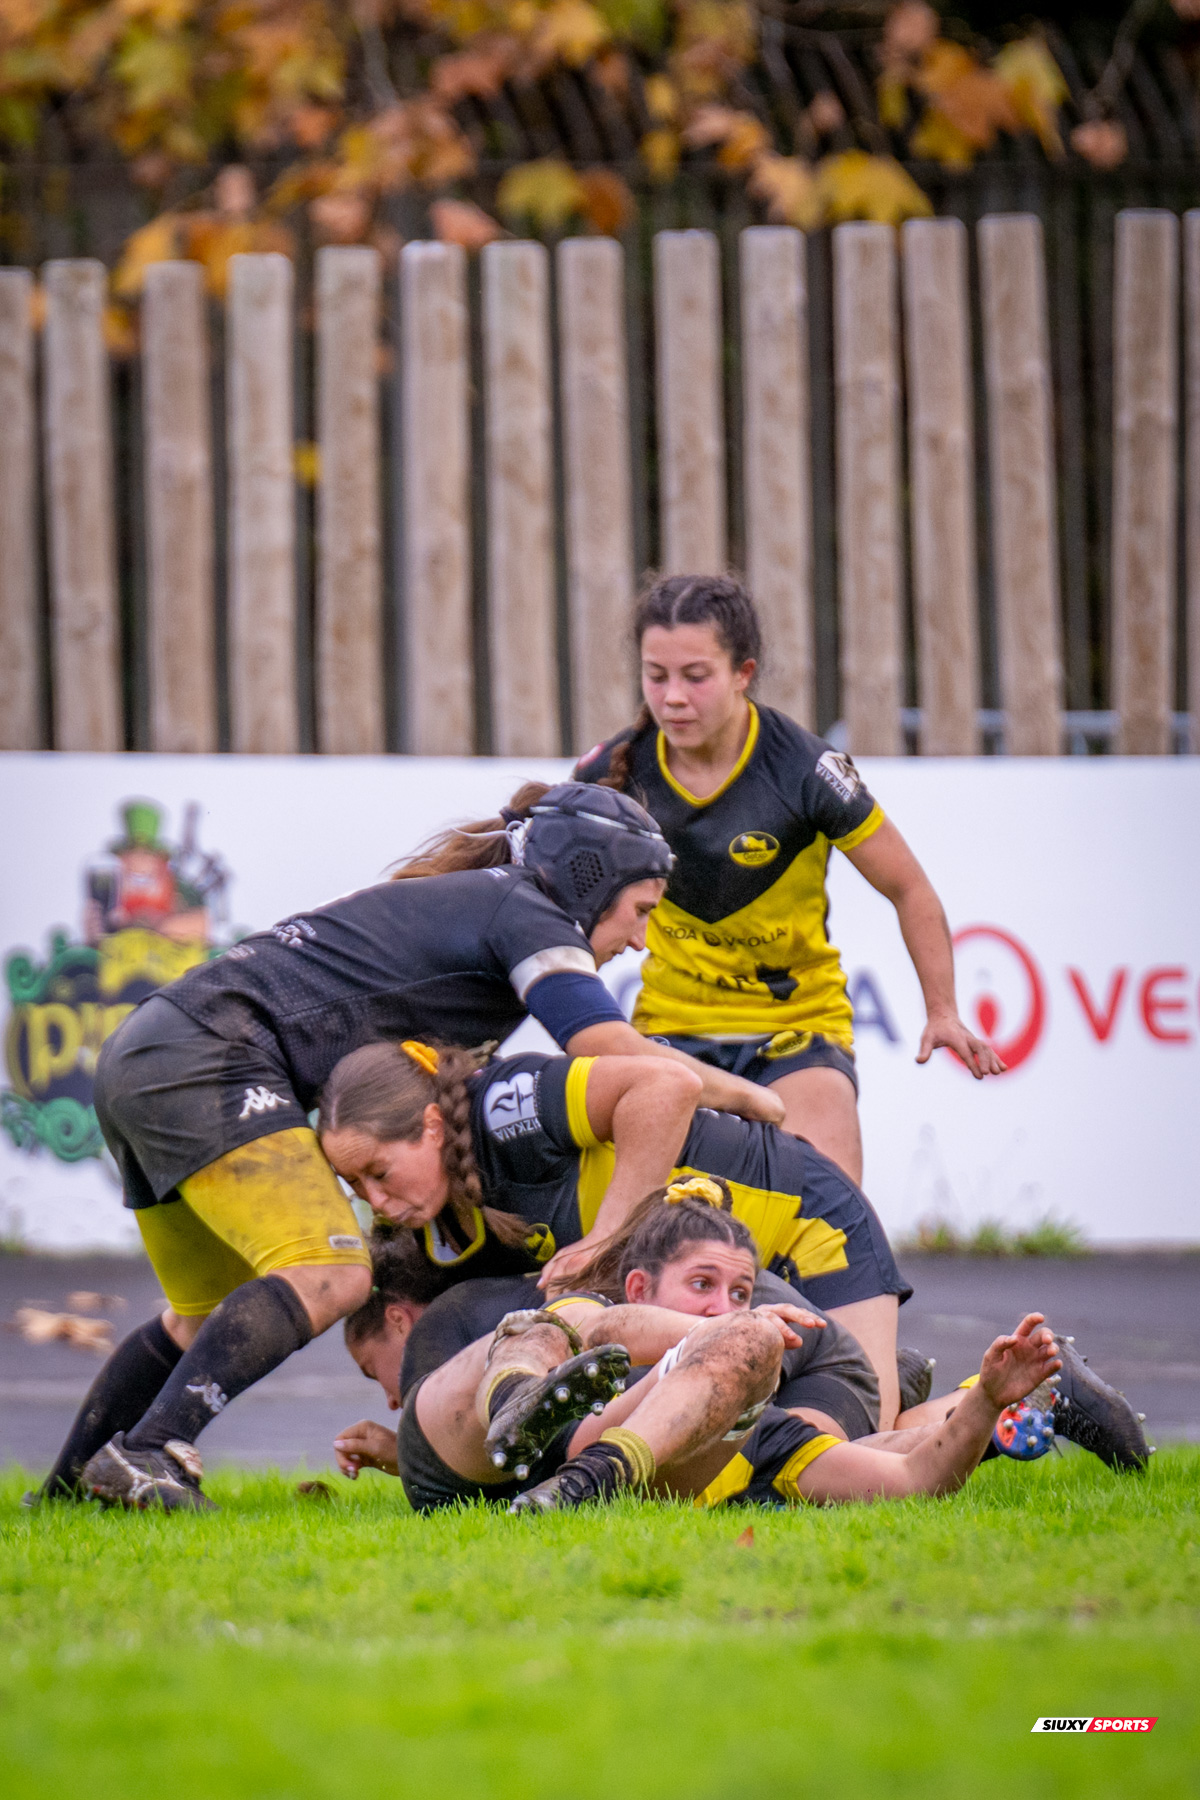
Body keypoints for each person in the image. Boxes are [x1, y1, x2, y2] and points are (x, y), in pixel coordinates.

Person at [40, 782, 779, 1513]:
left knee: (199, 1319)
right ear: (593, 880)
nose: (641, 938)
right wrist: (750, 1095)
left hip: (144, 1051)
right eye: (641, 910)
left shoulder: (483, 903)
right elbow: (611, 1049)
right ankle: (152, 1449)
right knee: (331, 1273)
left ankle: (73, 1487)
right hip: (207, 1058)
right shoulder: (527, 909)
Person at [573, 574, 1005, 1193]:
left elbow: (909, 888)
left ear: (743, 673)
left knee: (832, 1216)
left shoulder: (804, 770)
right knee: (650, 1226)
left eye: (696, 676)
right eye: (656, 676)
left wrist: (942, 1010)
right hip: (669, 1028)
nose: (673, 698)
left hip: (796, 1026)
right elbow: (547, 904)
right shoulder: (611, 773)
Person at [332, 1189, 1139, 1516]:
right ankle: (974, 1399)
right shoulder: (603, 1315)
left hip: (808, 1361)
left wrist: (989, 1399)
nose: (723, 1303)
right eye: (704, 1286)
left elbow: (910, 1480)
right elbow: (593, 1331)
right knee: (582, 1327)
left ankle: (977, 1400)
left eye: (737, 1289)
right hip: (615, 1371)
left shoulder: (756, 1361)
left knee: (833, 1423)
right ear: (643, 1283)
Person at [317, 1038, 914, 1425]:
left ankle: (937, 1395)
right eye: (355, 1185)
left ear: (430, 1126)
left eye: (379, 1172)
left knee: (863, 1444)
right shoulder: (435, 1227)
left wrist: (607, 1236)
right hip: (725, 1274)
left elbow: (667, 1086)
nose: (375, 1201)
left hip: (808, 1221)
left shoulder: (502, 1106)